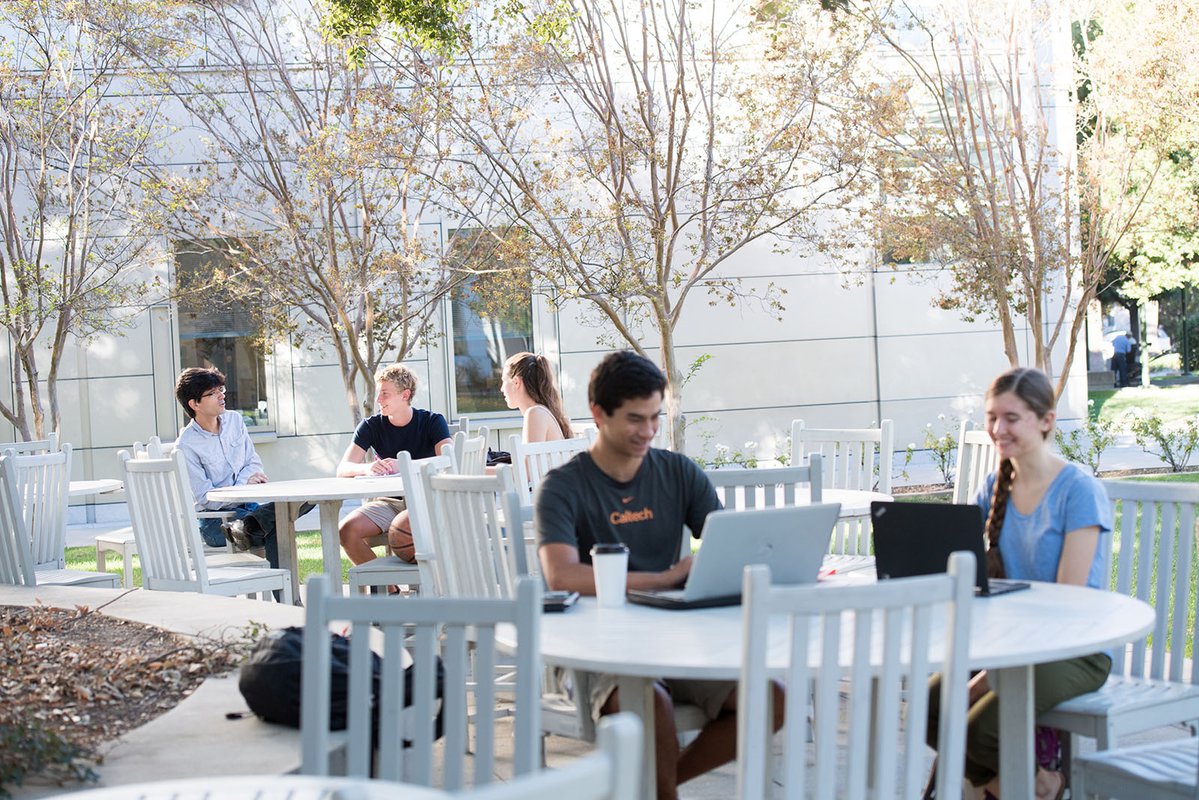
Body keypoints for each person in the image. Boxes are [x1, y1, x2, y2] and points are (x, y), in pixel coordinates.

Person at [535, 351, 781, 800]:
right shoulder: (563, 486)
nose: (647, 431)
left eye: (654, 417)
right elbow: (562, 576)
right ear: (598, 413)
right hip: (596, 647)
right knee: (651, 706)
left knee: (771, 698)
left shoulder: (679, 472)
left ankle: (652, 790)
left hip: (678, 639)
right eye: (634, 419)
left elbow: (729, 544)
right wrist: (664, 579)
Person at [926, 367, 1112, 800]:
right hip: (1011, 647)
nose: (997, 429)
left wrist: (991, 677)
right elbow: (975, 584)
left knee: (976, 731)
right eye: (992, 417)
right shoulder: (993, 486)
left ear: (1046, 420)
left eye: (1011, 418)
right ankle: (1039, 784)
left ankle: (1028, 785)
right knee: (928, 707)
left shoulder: (1078, 490)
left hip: (1074, 651)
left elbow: (1070, 604)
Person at [337, 363, 452, 566]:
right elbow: (343, 469)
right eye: (378, 394)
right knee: (347, 530)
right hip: (388, 503)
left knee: (413, 537)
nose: (378, 400)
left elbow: (450, 460)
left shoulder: (432, 421)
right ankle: (389, 591)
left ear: (405, 395)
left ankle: (430, 591)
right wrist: (367, 468)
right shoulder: (370, 426)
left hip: (426, 502)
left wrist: (406, 466)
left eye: (385, 394)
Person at [174, 367, 281, 569]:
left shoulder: (235, 421)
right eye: (212, 393)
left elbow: (253, 463)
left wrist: (241, 484)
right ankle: (285, 596)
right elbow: (205, 497)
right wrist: (243, 485)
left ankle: (247, 526)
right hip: (214, 522)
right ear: (194, 403)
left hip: (248, 509)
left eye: (220, 389)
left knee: (280, 515)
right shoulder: (186, 445)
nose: (221, 396)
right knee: (278, 522)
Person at [501, 352, 573, 442]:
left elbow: (529, 456)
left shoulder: (535, 414)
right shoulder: (539, 412)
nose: (502, 389)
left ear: (516, 382)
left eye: (504, 381)